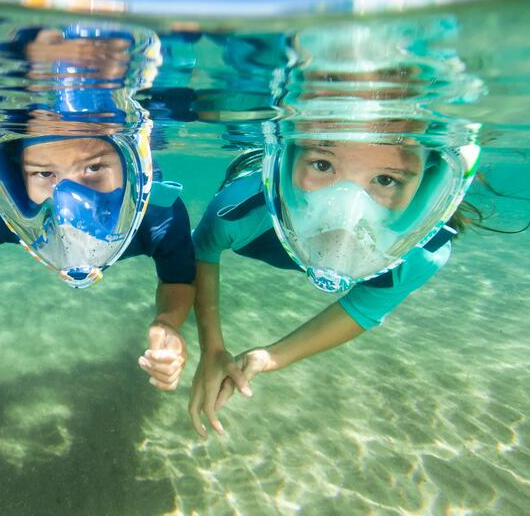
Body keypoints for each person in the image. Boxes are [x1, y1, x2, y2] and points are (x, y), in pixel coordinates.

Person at [0, 24, 196, 423]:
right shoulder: (14, 211)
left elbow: (178, 281)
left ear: (135, 172)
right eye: (44, 174)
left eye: (95, 168)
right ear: (18, 177)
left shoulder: (159, 213)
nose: (68, 210)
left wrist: (167, 323)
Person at [188, 120, 481, 438]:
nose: (346, 213)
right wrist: (212, 348)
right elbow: (201, 252)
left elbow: (362, 311)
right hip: (253, 172)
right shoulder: (240, 207)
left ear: (429, 183)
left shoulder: (423, 252)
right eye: (322, 164)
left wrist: (272, 357)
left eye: (386, 179)